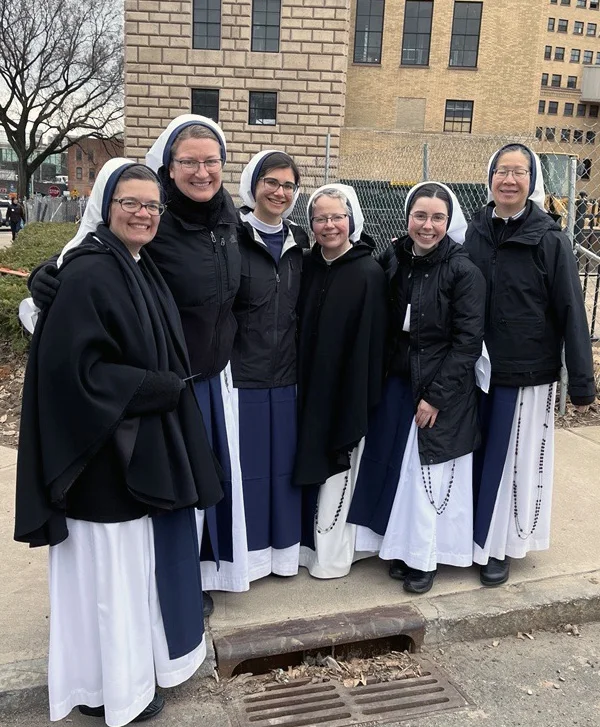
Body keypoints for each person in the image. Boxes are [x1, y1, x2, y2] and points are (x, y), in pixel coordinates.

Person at [14, 159, 223, 726]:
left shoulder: (132, 262)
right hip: (102, 460)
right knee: (110, 583)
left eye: (152, 205)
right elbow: (71, 371)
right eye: (130, 202)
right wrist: (151, 387)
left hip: (123, 446)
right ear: (105, 207)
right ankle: (117, 693)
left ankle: (101, 682)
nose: (143, 213)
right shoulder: (90, 270)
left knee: (116, 582)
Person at [29, 115, 243, 611]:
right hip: (154, 390)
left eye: (210, 161)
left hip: (209, 381)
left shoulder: (230, 223)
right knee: (164, 497)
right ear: (168, 167)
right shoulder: (146, 227)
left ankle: (195, 579)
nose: (201, 171)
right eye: (188, 161)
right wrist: (44, 282)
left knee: (201, 489)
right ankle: (172, 591)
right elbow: (82, 274)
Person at [464, 143, 596, 587]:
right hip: (474, 371)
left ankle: (500, 546)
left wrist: (582, 384)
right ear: (490, 177)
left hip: (526, 374)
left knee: (515, 465)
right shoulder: (472, 231)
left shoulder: (550, 239)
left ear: (532, 181)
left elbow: (571, 312)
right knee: (474, 458)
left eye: (519, 172)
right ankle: (469, 537)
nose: (509, 180)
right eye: (502, 170)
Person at [347, 183, 486, 594]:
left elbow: (467, 343)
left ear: (449, 220)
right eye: (419, 216)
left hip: (440, 386)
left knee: (427, 474)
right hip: (398, 379)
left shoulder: (464, 271)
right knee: (396, 467)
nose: (427, 226)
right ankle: (398, 545)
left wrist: (436, 397)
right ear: (407, 217)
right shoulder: (395, 257)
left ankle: (424, 557)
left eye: (437, 217)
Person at [294, 183, 387, 579]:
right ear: (310, 223)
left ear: (351, 220)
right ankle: (301, 549)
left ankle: (331, 555)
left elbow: (372, 345)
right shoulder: (307, 265)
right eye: (321, 218)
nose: (329, 225)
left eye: (337, 217)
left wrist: (357, 397)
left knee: (337, 470)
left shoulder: (368, 272)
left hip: (344, 391)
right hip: (305, 386)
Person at [231, 150, 309, 585]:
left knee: (283, 471)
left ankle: (282, 555)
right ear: (253, 184)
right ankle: (249, 557)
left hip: (288, 377)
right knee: (248, 472)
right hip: (242, 377)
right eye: (271, 182)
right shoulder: (231, 237)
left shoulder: (300, 242)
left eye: (288, 185)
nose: (279, 192)